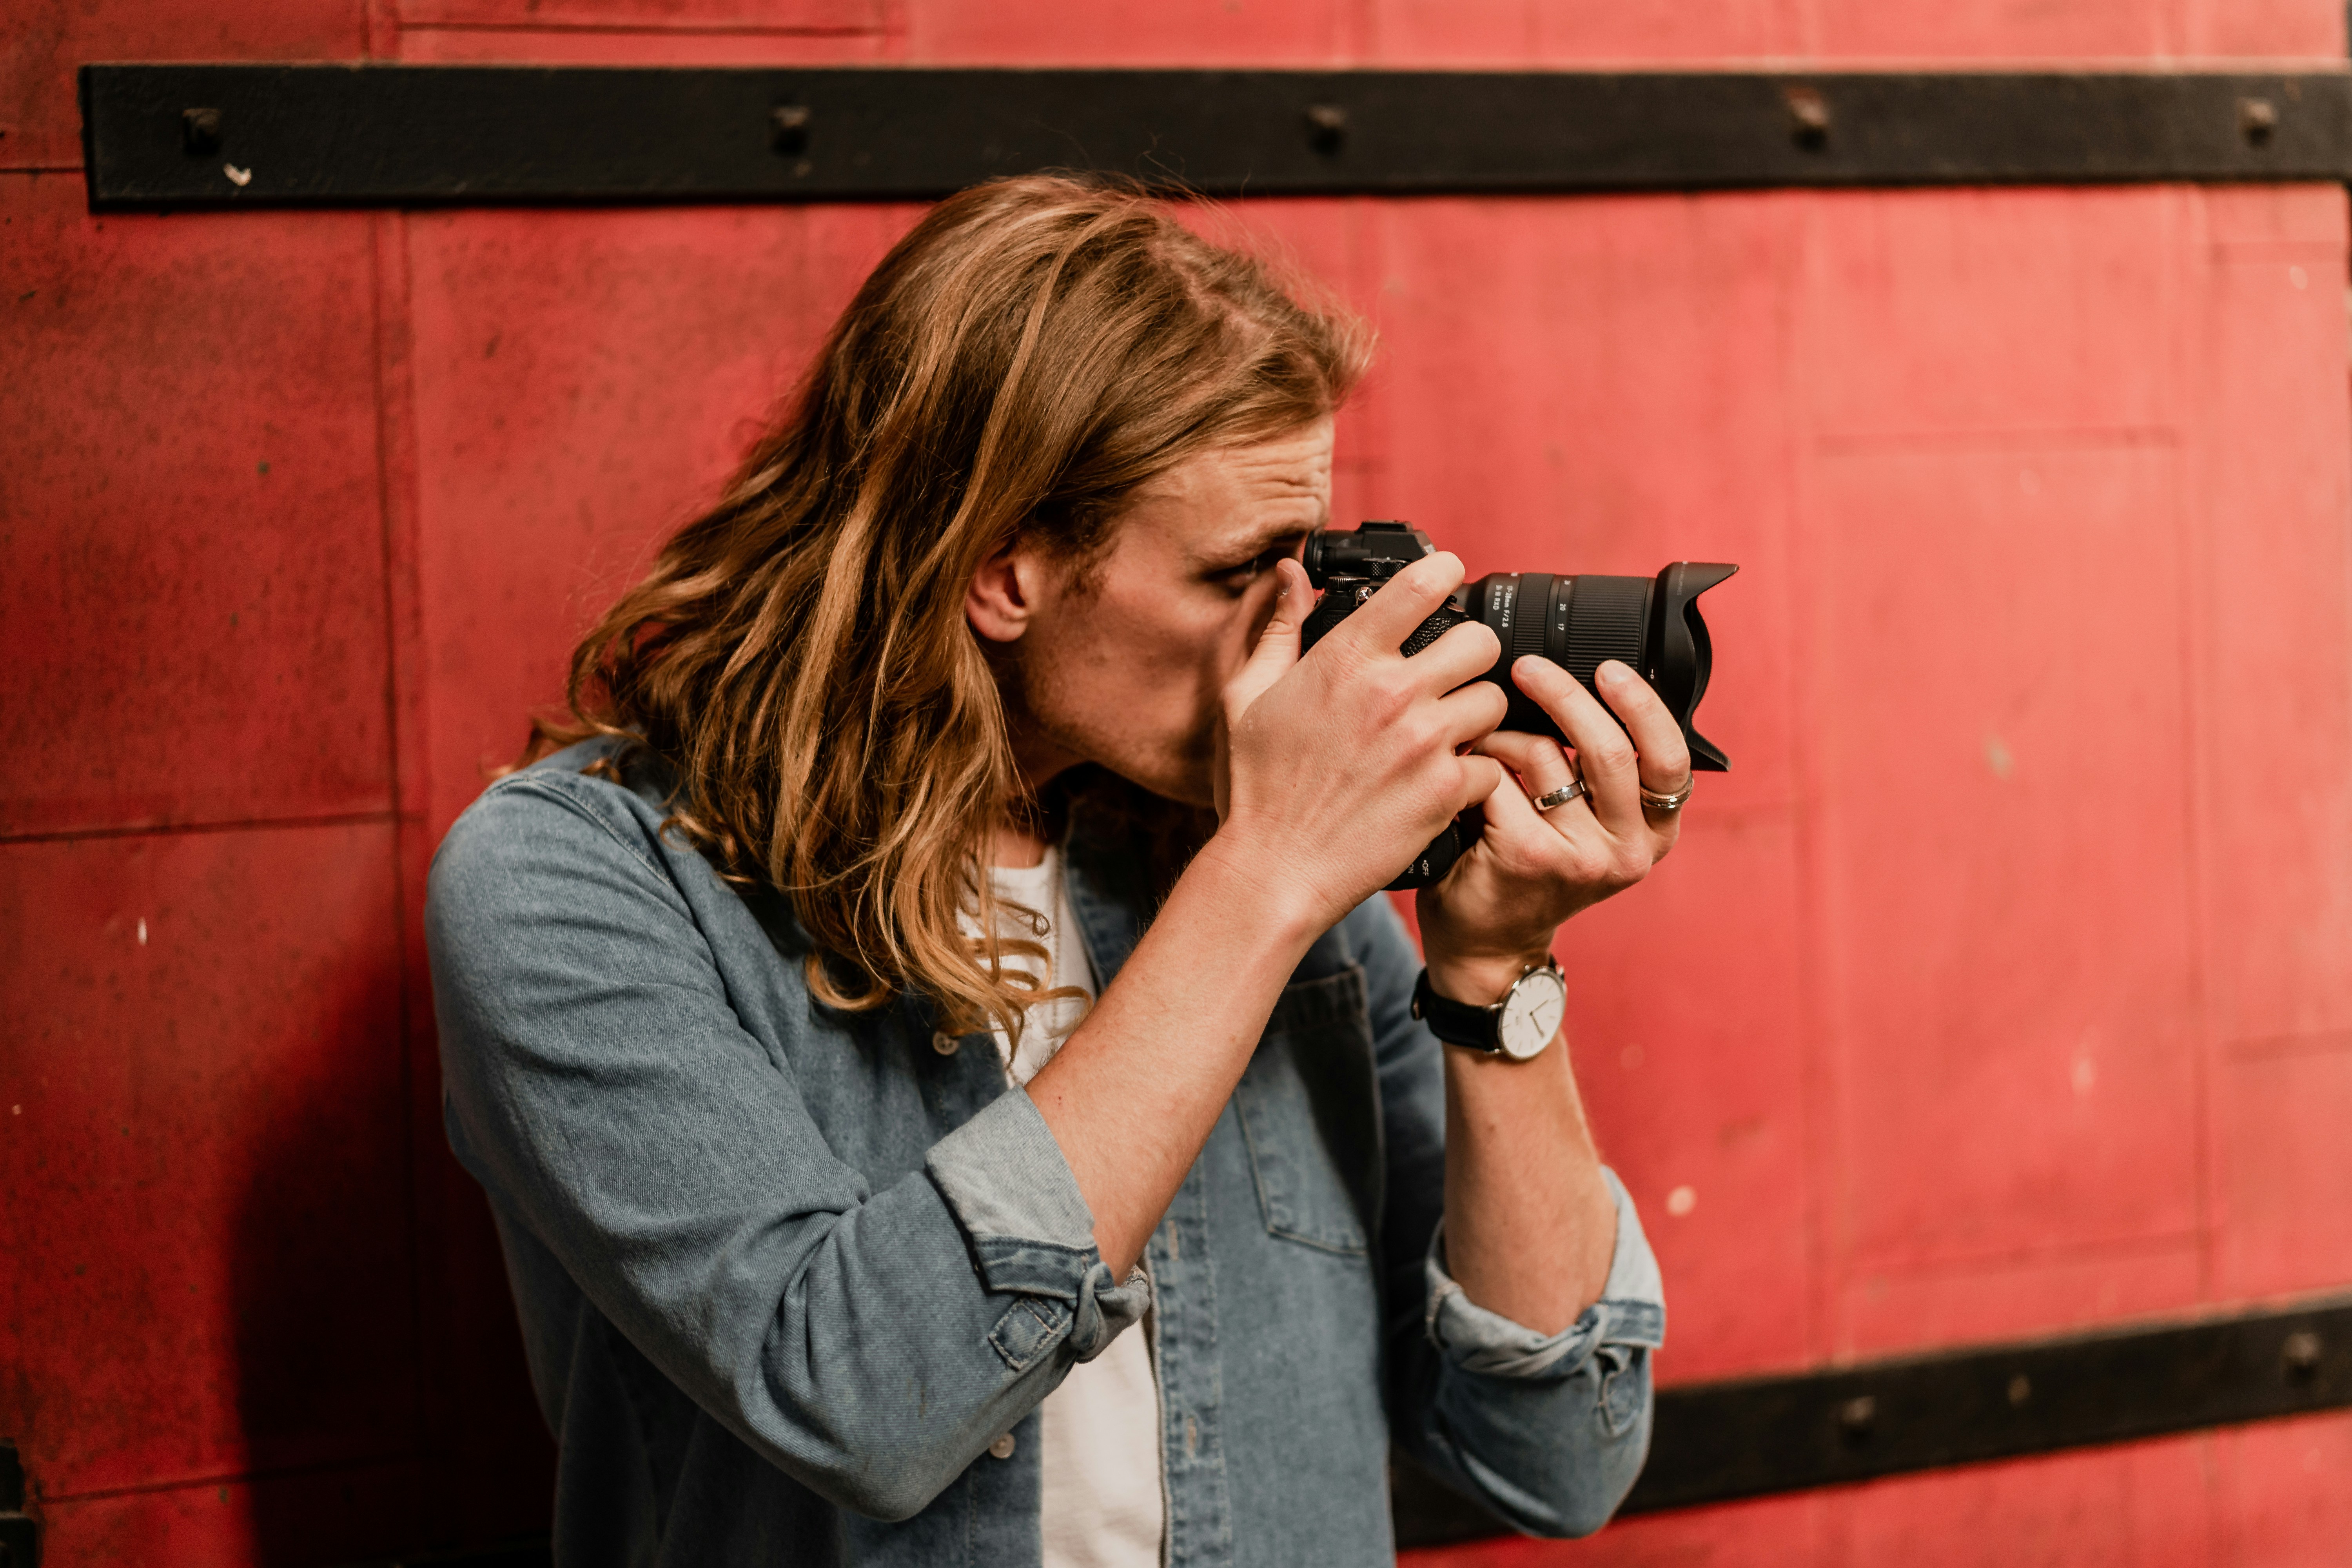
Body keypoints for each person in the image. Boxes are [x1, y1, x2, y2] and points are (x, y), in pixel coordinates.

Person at [425, 174, 1688, 1568]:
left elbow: (1557, 1459)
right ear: (1001, 570)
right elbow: (861, 1402)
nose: (1309, 633)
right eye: (1238, 572)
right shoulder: (574, 886)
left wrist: (1491, 977)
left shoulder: (1250, 864)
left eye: (1310, 558)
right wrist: (1268, 877)